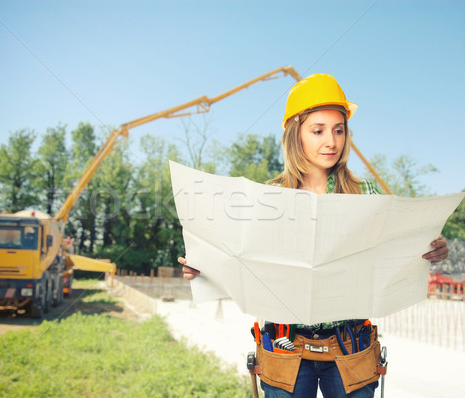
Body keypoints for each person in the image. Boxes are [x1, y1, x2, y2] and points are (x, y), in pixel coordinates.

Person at [178, 73, 448, 398]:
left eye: (338, 130)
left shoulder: (367, 194)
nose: (331, 141)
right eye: (317, 130)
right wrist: (205, 268)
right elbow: (245, 261)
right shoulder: (268, 197)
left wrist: (430, 248)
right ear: (296, 135)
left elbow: (395, 250)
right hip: (286, 346)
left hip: (350, 346)